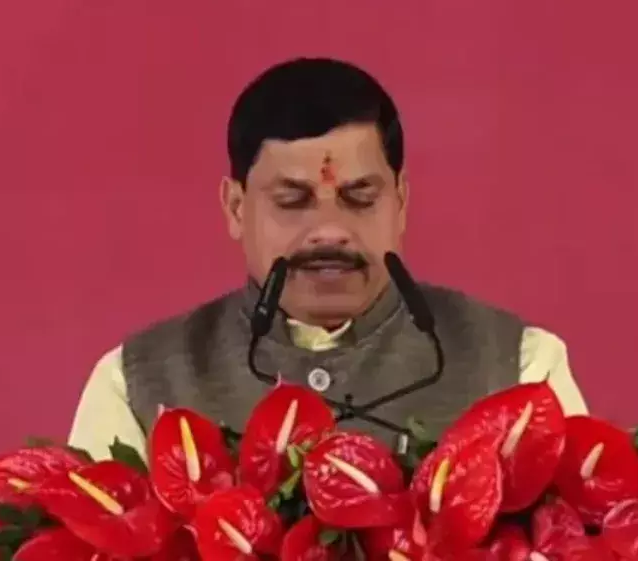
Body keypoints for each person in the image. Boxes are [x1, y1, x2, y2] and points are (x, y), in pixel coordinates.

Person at [68, 57, 588, 461]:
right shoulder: (138, 384)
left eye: (359, 198)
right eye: (292, 201)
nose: (330, 231)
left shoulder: (520, 367)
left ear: (401, 202)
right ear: (235, 207)